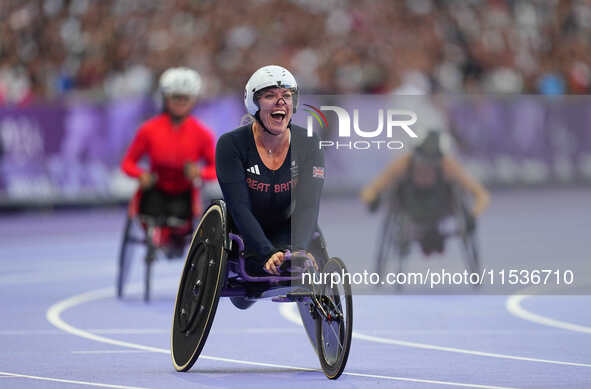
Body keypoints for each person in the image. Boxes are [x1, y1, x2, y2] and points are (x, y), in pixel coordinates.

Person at [216, 65, 324, 277]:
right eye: (270, 96)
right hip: (244, 233)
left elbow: (308, 204)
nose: (281, 101)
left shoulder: (310, 143)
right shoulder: (230, 144)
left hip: (285, 227)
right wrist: (266, 252)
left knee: (309, 256)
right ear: (253, 103)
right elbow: (239, 207)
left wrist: (299, 249)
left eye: (287, 95)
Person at [361, 130, 490, 255]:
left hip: (441, 208)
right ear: (415, 156)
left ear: (438, 161)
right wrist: (372, 200)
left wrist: (472, 215)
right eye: (422, 162)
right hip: (409, 208)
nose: (425, 168)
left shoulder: (448, 166)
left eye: (431, 164)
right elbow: (371, 189)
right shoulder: (402, 164)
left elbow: (482, 195)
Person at [121, 67, 216, 236]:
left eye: (185, 98)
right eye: (175, 97)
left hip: (185, 192)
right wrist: (141, 175)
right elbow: (128, 163)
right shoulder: (148, 130)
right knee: (148, 207)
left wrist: (199, 172)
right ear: (165, 98)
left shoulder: (203, 133)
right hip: (155, 188)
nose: (180, 102)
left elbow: (216, 169)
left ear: (193, 100)